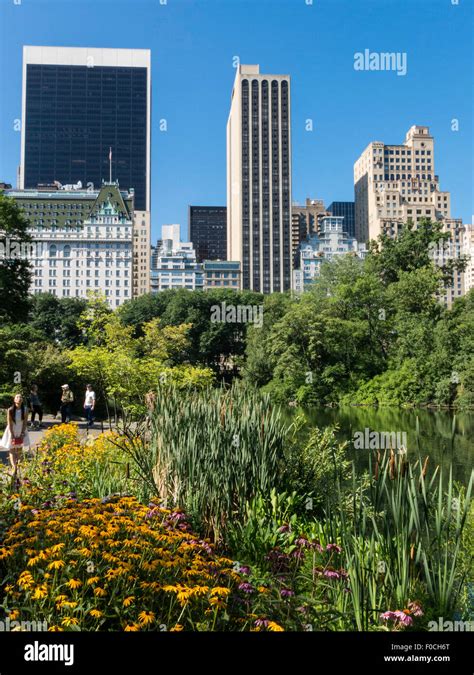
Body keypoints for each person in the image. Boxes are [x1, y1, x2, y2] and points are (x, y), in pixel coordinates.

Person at [0, 393, 30, 472]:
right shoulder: (10, 410)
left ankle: (18, 465)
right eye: (17, 397)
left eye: (20, 397)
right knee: (12, 449)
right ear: (14, 400)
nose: (19, 398)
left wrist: (22, 433)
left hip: (21, 430)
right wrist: (12, 435)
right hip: (12, 430)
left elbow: (25, 423)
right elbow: (9, 423)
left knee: (19, 449)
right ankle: (14, 467)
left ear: (22, 400)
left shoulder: (26, 409)